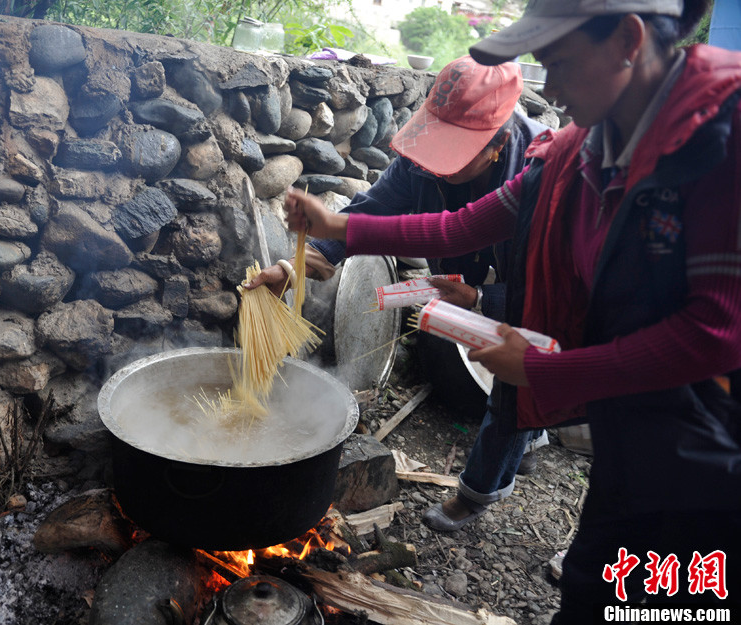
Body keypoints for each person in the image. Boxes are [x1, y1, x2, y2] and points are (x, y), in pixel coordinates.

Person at [279, 0, 741, 619]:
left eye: (559, 60)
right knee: (598, 581)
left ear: (628, 40)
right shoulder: (580, 152)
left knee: (676, 597)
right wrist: (339, 227)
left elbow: (713, 335)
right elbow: (457, 228)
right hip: (629, 412)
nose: (549, 84)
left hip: (710, 434)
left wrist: (549, 370)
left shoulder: (720, 139)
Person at [247, 55, 550, 532]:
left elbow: (549, 302)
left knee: (520, 376)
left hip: (539, 289)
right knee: (513, 385)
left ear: (500, 144)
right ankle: (527, 436)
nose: (435, 164)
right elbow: (388, 213)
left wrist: (479, 301)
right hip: (468, 273)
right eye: (436, 143)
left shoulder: (541, 180)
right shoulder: (424, 162)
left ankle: (476, 492)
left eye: (454, 153)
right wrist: (298, 263)